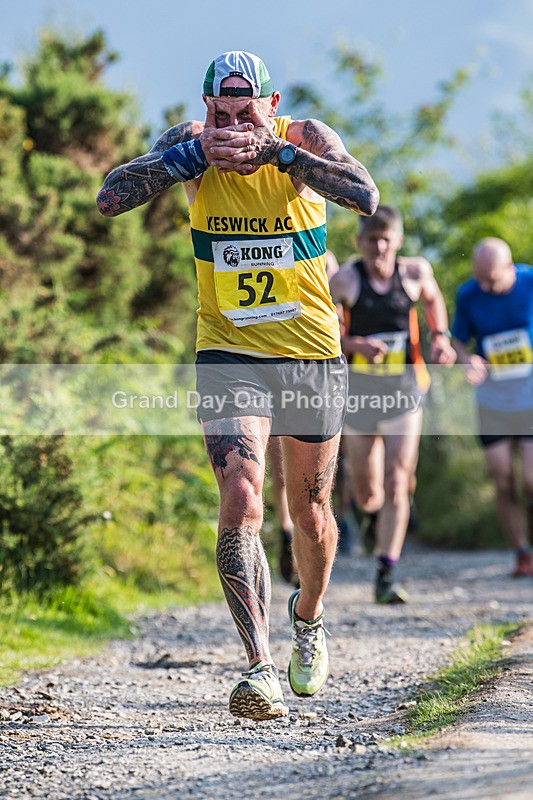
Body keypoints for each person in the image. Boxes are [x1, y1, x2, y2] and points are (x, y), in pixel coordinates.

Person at [97, 50, 379, 720]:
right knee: (242, 495)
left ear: (271, 108)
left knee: (307, 511)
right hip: (228, 351)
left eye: (245, 113)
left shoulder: (302, 139)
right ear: (204, 110)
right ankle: (257, 667)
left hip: (309, 351)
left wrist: (277, 157)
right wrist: (183, 164)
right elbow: (110, 197)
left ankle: (306, 619)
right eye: (218, 113)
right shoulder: (190, 146)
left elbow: (363, 196)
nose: (230, 125)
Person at [330, 206, 456, 603]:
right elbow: (325, 337)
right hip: (359, 396)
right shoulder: (346, 281)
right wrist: (355, 344)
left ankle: (386, 572)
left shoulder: (416, 274)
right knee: (369, 491)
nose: (379, 247)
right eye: (371, 240)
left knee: (399, 478)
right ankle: (369, 518)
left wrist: (440, 336)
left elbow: (434, 301)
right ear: (360, 242)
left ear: (398, 240)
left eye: (387, 239)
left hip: (404, 392)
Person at [452, 237, 533, 578]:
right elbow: (458, 340)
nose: (484, 285)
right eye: (479, 278)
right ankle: (521, 552)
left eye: (491, 280)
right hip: (492, 401)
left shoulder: (530, 282)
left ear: (509, 267)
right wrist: (467, 359)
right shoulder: (468, 294)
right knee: (502, 480)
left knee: (531, 482)